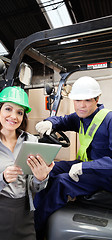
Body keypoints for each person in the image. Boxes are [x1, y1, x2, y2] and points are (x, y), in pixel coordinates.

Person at [34, 76, 112, 239]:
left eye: (87, 100)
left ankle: (37, 230)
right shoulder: (80, 118)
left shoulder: (109, 120)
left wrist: (85, 167)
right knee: (51, 169)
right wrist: (50, 123)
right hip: (87, 166)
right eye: (77, 100)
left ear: (97, 99)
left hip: (105, 174)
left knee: (62, 182)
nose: (81, 105)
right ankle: (36, 211)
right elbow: (62, 121)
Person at [0, 86, 54, 240]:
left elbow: (35, 188)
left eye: (19, 112)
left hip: (23, 217)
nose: (13, 116)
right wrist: (1, 179)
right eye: (8, 109)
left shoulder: (32, 142)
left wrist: (41, 178)